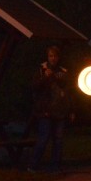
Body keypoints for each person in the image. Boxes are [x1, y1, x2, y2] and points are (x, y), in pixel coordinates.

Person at [28, 45, 70, 173]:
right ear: (47, 57)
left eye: (55, 56)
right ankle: (33, 165)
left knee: (58, 139)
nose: (53, 58)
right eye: (51, 56)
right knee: (44, 138)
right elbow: (34, 87)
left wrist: (71, 109)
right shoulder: (41, 70)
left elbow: (68, 90)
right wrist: (46, 77)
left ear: (58, 57)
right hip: (45, 110)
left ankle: (55, 166)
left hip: (59, 110)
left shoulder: (63, 71)